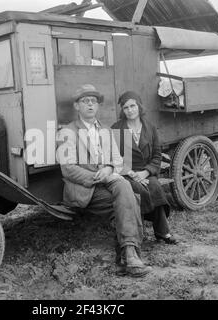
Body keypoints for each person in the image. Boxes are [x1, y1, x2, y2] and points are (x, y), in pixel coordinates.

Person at [56, 84, 152, 277]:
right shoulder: (67, 131)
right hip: (84, 189)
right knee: (129, 198)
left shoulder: (106, 130)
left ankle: (129, 255)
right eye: (85, 101)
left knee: (124, 186)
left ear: (98, 106)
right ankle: (129, 256)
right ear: (77, 106)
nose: (90, 105)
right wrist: (95, 177)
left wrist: (108, 168)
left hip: (107, 181)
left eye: (94, 101)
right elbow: (67, 169)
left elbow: (117, 161)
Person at [111, 91, 178, 244]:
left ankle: (162, 232)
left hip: (145, 171)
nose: (130, 110)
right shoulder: (117, 129)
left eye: (132, 106)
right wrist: (132, 174)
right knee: (139, 190)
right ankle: (136, 234)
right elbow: (114, 158)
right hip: (125, 173)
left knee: (154, 186)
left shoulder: (150, 128)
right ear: (122, 110)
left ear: (139, 107)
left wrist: (145, 172)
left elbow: (157, 155)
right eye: (126, 107)